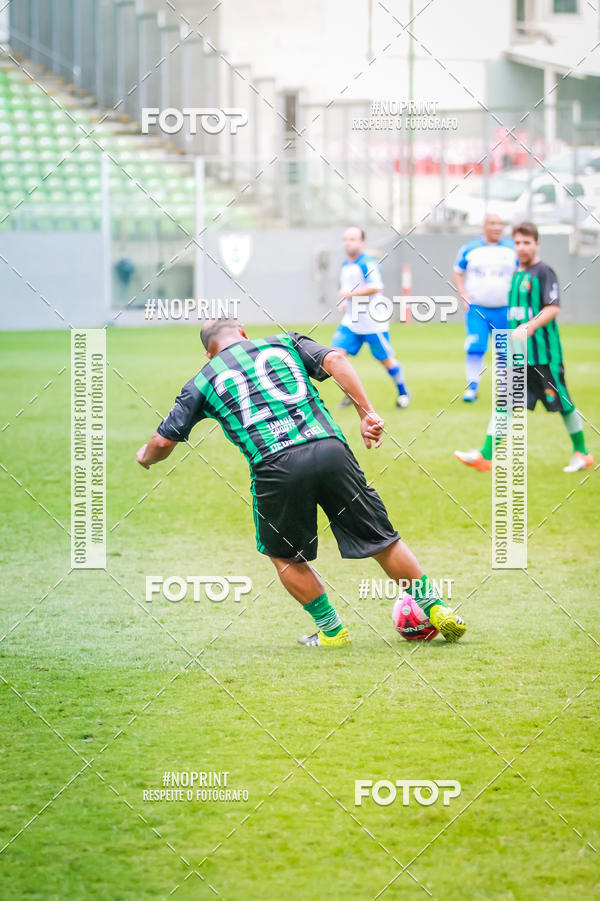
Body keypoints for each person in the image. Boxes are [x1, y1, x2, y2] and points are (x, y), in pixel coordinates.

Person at [136, 318, 466, 646]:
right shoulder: (283, 341)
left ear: (209, 354)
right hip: (330, 450)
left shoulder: (202, 380)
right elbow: (336, 359)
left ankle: (333, 632)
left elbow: (163, 442)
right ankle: (437, 608)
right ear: (244, 333)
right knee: (382, 540)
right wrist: (365, 412)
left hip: (275, 466)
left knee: (284, 555)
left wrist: (145, 458)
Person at [454, 222, 593, 473]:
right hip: (519, 355)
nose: (521, 247)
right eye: (517, 243)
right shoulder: (517, 274)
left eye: (527, 243)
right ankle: (485, 456)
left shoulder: (544, 272)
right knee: (506, 402)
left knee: (563, 403)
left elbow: (552, 307)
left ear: (536, 244)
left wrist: (530, 326)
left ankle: (582, 452)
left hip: (543, 355)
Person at [332, 226, 410, 409]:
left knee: (386, 360)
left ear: (362, 242)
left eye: (352, 239)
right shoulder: (346, 265)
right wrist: (345, 302)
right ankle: (351, 395)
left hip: (372, 322)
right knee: (336, 357)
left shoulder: (368, 263)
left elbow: (376, 287)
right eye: (345, 239)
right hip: (351, 322)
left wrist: (349, 294)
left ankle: (403, 393)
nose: (348, 243)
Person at [453, 214, 518, 402]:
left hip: (505, 308)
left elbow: (523, 271)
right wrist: (463, 293)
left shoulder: (512, 248)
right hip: (478, 309)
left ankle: (506, 389)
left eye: (500, 223)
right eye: (493, 223)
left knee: (505, 349)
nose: (497, 227)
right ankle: (472, 388)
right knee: (475, 347)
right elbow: (458, 271)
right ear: (484, 226)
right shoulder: (470, 248)